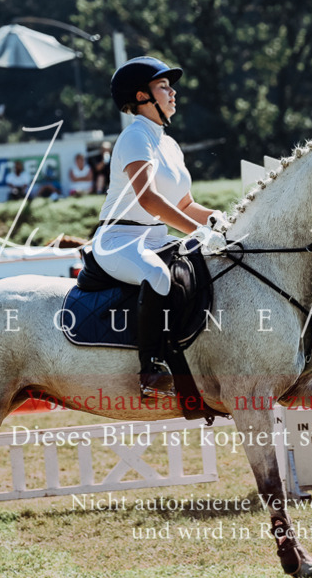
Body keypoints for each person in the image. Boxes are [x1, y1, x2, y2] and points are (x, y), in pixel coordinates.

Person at [92, 56, 229, 399]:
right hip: (118, 240)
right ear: (142, 97)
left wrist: (222, 220)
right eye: (164, 86)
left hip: (155, 238)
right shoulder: (134, 137)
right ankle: (149, 368)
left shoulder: (168, 143)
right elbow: (149, 200)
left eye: (171, 86)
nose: (173, 93)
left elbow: (185, 205)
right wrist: (197, 233)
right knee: (158, 276)